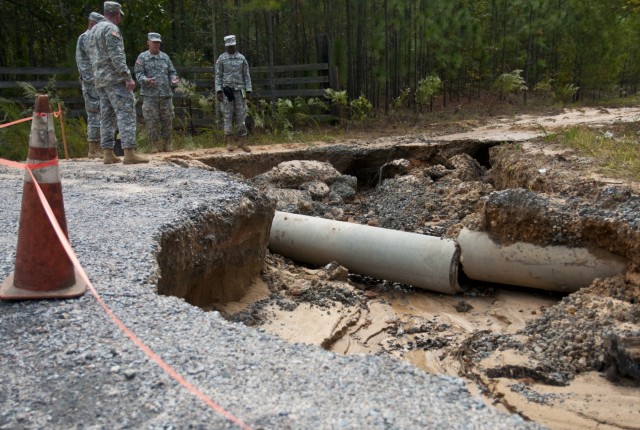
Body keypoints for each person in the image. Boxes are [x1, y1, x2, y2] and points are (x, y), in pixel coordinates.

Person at [88, 1, 148, 164]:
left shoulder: (93, 31)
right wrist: (127, 77)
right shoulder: (111, 29)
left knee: (106, 115)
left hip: (100, 80)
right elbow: (117, 56)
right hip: (115, 79)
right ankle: (129, 153)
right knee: (126, 112)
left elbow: (91, 56)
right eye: (120, 15)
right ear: (116, 14)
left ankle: (108, 153)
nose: (120, 18)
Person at [135, 33, 179, 153]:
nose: (156, 44)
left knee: (168, 119)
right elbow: (138, 74)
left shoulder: (165, 57)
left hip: (165, 95)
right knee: (151, 121)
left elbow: (172, 71)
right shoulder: (142, 57)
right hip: (150, 96)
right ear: (148, 42)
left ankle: (167, 144)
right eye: (154, 42)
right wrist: (146, 80)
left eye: (158, 42)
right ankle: (154, 145)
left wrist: (174, 79)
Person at [215, 35, 253, 152]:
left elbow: (246, 75)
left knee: (241, 115)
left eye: (232, 45)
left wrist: (248, 90)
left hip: (240, 90)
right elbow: (218, 75)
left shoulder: (241, 58)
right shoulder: (221, 59)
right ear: (226, 46)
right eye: (228, 46)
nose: (230, 47)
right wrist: (218, 90)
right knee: (228, 115)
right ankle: (229, 140)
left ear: (235, 45)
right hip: (227, 90)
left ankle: (242, 141)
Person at [75, 12, 104, 159]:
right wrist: (93, 80)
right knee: (94, 114)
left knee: (102, 114)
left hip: (98, 81)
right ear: (92, 24)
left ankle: (99, 147)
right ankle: (93, 148)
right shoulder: (86, 38)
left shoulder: (91, 37)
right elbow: (89, 63)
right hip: (91, 82)